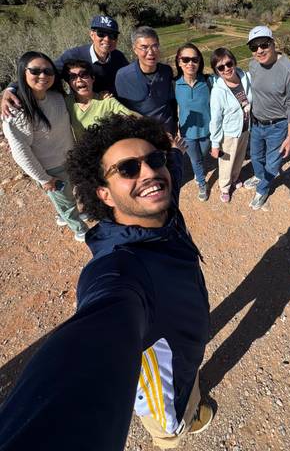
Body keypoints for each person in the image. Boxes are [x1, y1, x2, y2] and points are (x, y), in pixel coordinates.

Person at [0, 115, 212, 450]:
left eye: (154, 160)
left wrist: (173, 152)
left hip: (184, 349)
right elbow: (99, 325)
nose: (150, 173)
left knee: (191, 379)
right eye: (128, 169)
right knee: (170, 421)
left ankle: (192, 403)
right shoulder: (120, 267)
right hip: (163, 384)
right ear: (105, 195)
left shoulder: (161, 208)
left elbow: (171, 170)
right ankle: (174, 432)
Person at [2, 52, 88, 241]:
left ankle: (63, 216)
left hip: (70, 157)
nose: (43, 75)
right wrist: (43, 179)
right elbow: (20, 151)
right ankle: (79, 230)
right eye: (35, 71)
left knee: (68, 196)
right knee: (65, 201)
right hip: (51, 168)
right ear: (23, 73)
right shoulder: (16, 112)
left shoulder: (57, 97)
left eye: (48, 71)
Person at [1, 15, 128, 117]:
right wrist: (11, 89)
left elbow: (128, 79)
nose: (107, 39)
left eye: (112, 35)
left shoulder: (118, 57)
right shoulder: (73, 56)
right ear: (92, 35)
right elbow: (44, 74)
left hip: (109, 107)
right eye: (101, 33)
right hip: (80, 111)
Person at [244, 25, 290, 210]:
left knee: (273, 161)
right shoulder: (253, 65)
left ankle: (263, 189)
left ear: (273, 43)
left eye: (264, 44)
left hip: (277, 126)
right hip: (256, 122)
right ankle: (260, 176)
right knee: (255, 155)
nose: (259, 50)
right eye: (254, 47)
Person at [115, 26, 177, 134]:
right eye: (144, 47)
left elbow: (171, 103)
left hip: (168, 134)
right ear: (135, 49)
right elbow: (121, 110)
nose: (151, 52)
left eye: (154, 46)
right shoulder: (123, 76)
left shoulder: (166, 71)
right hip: (141, 136)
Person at [209, 47, 252, 203]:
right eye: (221, 67)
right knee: (226, 162)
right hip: (229, 134)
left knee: (239, 157)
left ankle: (234, 178)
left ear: (234, 62)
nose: (226, 69)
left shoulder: (245, 78)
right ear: (217, 71)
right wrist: (215, 144)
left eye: (229, 63)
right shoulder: (218, 92)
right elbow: (215, 120)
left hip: (246, 129)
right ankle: (225, 187)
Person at [62, 59, 136, 141]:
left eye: (84, 75)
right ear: (68, 82)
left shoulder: (107, 101)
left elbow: (132, 118)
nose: (79, 79)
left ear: (92, 78)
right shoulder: (66, 103)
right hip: (82, 152)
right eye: (73, 77)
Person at [174, 43, 211, 201]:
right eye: (186, 59)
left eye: (194, 59)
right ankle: (202, 183)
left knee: (202, 156)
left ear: (199, 62)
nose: (190, 63)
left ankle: (199, 172)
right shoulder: (174, 84)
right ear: (179, 62)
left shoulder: (208, 81)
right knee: (195, 159)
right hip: (187, 132)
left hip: (207, 131)